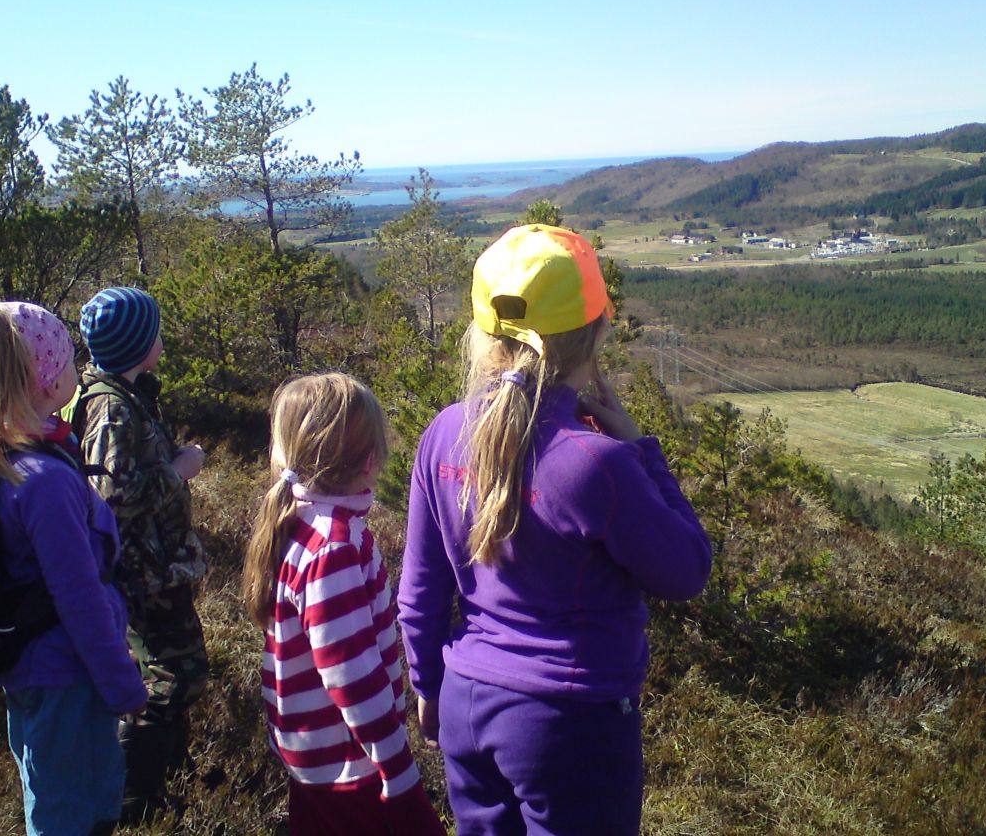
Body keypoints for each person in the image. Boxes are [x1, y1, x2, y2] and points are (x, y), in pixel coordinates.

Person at [398, 223, 713, 836]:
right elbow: (687, 570)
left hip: (466, 701)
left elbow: (421, 591)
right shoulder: (597, 461)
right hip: (569, 724)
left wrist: (428, 687)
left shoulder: (443, 433)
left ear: (483, 335)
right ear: (596, 332)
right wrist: (641, 448)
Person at [0, 300, 146, 836]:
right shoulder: (45, 481)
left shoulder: (3, 454)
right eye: (66, 359)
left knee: (72, 801)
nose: (77, 368)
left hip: (39, 669)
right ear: (45, 380)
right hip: (66, 676)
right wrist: (123, 686)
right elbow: (78, 596)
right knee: (69, 815)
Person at [242, 373, 447, 836]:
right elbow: (352, 676)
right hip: (349, 766)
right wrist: (399, 773)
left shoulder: (301, 522)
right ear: (371, 460)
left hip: (316, 758)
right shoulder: (333, 548)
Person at [73, 286, 209, 823]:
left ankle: (165, 782)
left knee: (176, 676)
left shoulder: (126, 396)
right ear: (134, 343)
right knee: (171, 680)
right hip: (141, 574)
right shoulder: (111, 407)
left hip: (154, 568)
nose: (161, 340)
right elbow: (110, 494)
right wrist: (178, 471)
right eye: (154, 331)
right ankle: (134, 802)